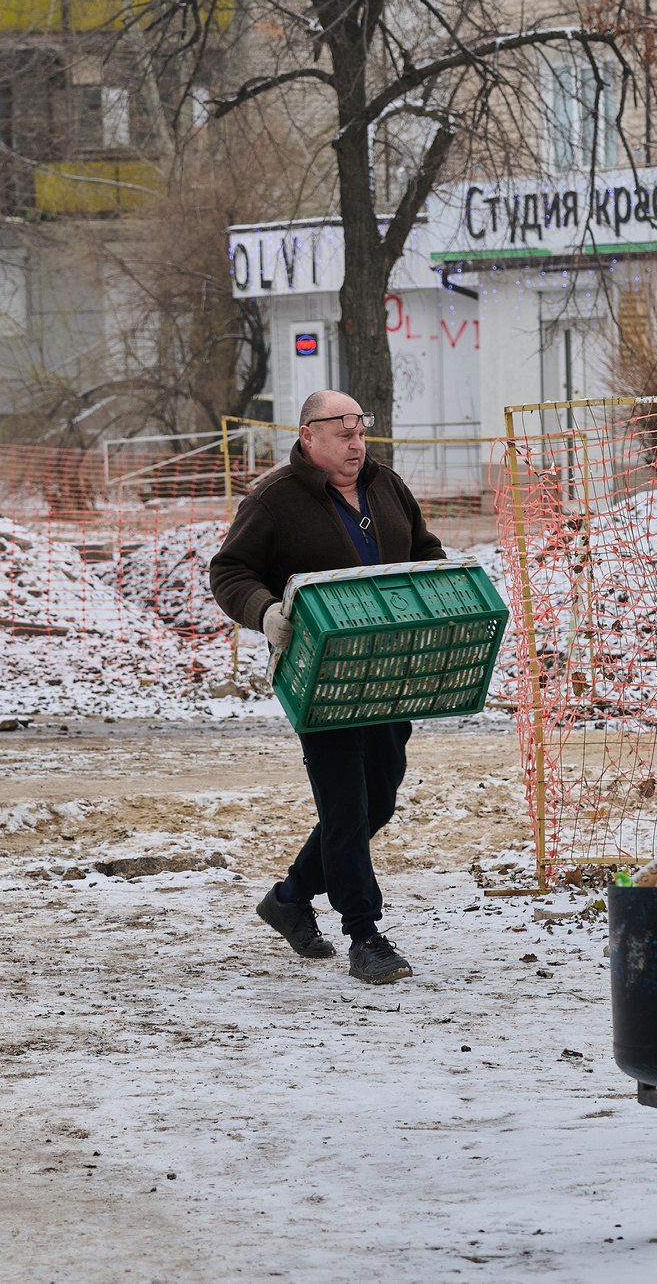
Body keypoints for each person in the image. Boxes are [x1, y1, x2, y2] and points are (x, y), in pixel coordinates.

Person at [209, 388, 442, 985]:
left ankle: (289, 898)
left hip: (389, 674)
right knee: (345, 806)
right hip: (322, 679)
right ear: (309, 436)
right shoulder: (274, 500)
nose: (356, 445)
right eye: (343, 435)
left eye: (360, 433)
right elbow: (229, 570)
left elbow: (425, 551)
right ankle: (364, 934)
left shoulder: (387, 487)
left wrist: (441, 587)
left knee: (378, 800)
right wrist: (265, 612)